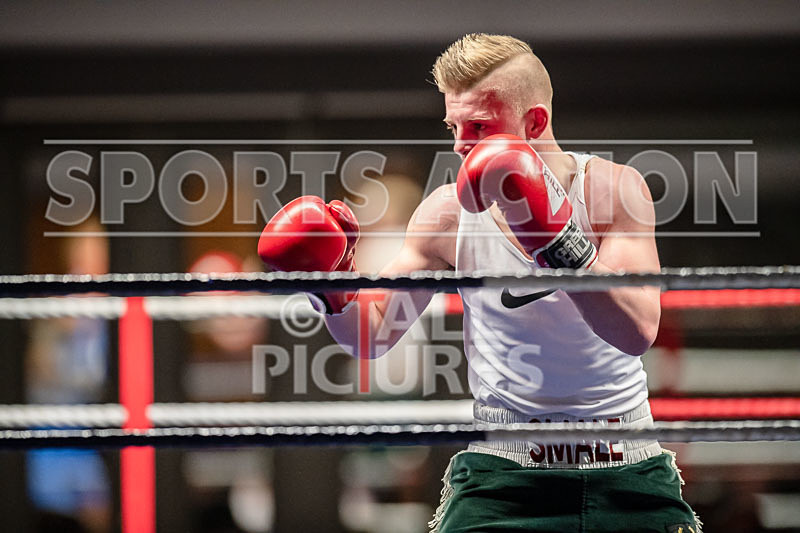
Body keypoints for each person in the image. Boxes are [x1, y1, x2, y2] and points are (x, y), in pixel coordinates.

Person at [259, 33, 699, 533]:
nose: (461, 144)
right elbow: (372, 333)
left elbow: (636, 329)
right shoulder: (446, 216)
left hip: (627, 467)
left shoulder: (612, 190)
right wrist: (331, 283)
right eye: (454, 125)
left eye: (479, 126)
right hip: (504, 478)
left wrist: (557, 239)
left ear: (535, 121)